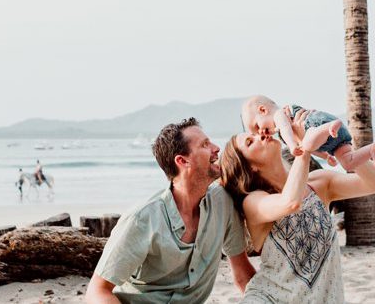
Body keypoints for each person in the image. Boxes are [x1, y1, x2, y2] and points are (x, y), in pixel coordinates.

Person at [220, 109, 375, 303]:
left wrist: (341, 150)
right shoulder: (254, 201)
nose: (261, 134)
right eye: (250, 142)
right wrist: (305, 149)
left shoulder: (320, 183)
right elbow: (291, 202)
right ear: (249, 167)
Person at [85, 118, 256, 303]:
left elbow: (243, 276)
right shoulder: (142, 219)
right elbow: (98, 291)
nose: (216, 148)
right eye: (205, 145)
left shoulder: (223, 203)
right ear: (182, 161)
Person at [241, 94, 375, 171]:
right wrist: (326, 156)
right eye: (257, 133)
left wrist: (291, 146)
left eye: (257, 126)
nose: (261, 133)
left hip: (318, 124)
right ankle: (371, 150)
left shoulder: (279, 115)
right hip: (332, 139)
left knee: (306, 144)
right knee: (347, 163)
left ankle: (330, 127)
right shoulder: (284, 133)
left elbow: (286, 129)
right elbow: (311, 147)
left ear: (263, 110)